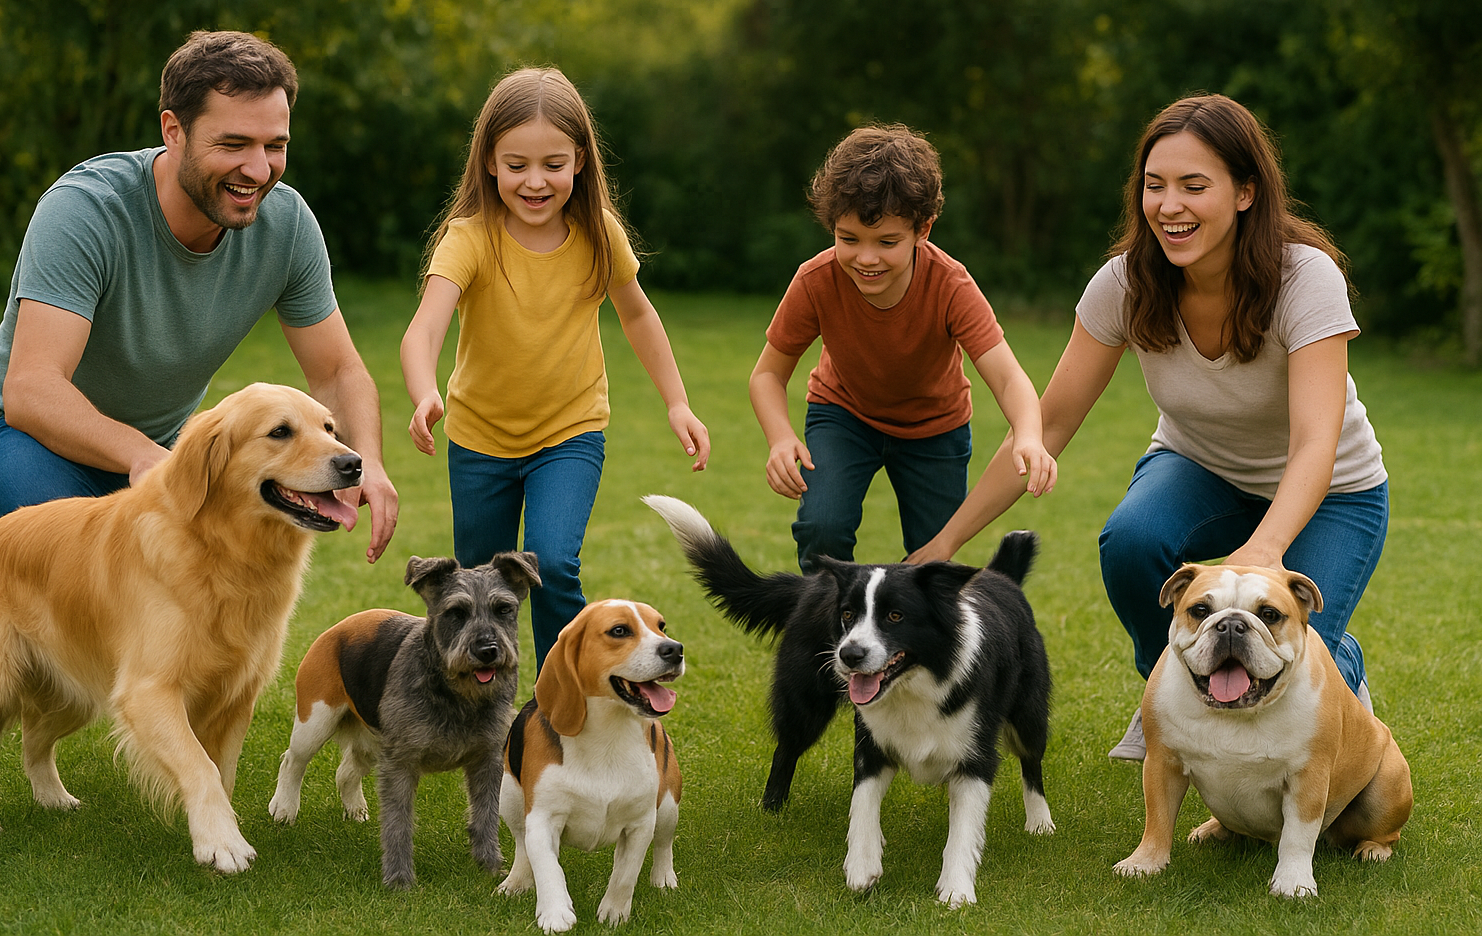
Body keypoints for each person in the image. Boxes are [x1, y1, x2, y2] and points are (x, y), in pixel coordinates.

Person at [908, 94, 1388, 760]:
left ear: (1246, 192)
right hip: (1199, 469)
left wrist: (1265, 548)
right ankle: (1168, 686)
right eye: (1154, 186)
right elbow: (1045, 425)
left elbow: (1316, 441)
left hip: (1334, 492)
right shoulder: (1126, 285)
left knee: (1302, 668)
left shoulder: (1304, 279)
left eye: (1195, 186)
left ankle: (1343, 659)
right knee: (1133, 539)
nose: (1169, 205)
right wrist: (946, 542)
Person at [0, 30, 398, 563]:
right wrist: (147, 458)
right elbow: (31, 389)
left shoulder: (287, 225)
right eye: (233, 144)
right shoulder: (86, 210)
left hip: (160, 451)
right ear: (174, 130)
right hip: (22, 438)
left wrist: (367, 459)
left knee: (204, 592)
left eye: (274, 146)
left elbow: (336, 372)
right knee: (99, 575)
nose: (259, 171)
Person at [400, 67, 710, 667]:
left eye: (553, 164)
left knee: (551, 560)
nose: (535, 181)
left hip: (569, 433)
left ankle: (561, 702)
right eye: (516, 165)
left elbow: (639, 317)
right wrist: (423, 391)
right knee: (482, 587)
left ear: (581, 161)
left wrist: (677, 401)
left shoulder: (598, 234)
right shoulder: (469, 238)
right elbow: (426, 327)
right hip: (480, 439)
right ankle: (484, 719)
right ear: (490, 162)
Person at [750, 124, 1055, 571]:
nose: (866, 258)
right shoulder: (815, 281)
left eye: (887, 242)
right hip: (844, 416)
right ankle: (830, 634)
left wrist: (1028, 435)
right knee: (823, 528)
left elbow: (1008, 376)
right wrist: (780, 438)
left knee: (933, 563)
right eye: (847, 239)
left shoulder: (950, 286)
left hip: (936, 430)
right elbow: (767, 374)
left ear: (922, 230)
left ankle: (918, 641)